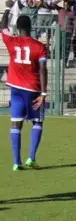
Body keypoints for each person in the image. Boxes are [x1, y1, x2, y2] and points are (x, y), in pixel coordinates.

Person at [2, 16, 47, 171]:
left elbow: (2, 27)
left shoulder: (11, 42)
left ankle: (16, 162)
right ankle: (31, 158)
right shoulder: (39, 46)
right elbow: (43, 70)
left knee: (16, 123)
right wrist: (44, 93)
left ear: (17, 27)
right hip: (33, 89)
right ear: (31, 26)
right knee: (38, 122)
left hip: (15, 88)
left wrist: (7, 10)